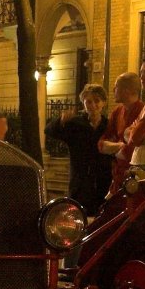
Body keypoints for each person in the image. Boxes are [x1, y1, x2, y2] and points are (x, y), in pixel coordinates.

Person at [45, 83, 112, 216]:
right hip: (80, 182)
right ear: (83, 103)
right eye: (88, 101)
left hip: (103, 181)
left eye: (97, 101)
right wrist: (61, 121)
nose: (93, 105)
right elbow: (49, 131)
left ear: (103, 102)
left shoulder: (108, 125)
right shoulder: (76, 124)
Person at [98, 72, 143, 194]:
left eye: (116, 86)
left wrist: (113, 148)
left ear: (127, 90)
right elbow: (101, 144)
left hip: (135, 178)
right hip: (118, 176)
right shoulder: (117, 112)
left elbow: (134, 149)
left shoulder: (143, 111)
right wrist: (120, 146)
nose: (113, 90)